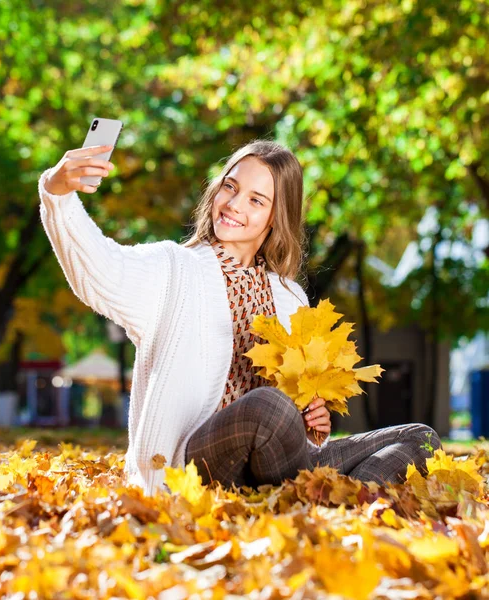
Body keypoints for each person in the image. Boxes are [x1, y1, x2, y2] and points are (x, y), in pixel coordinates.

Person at [38, 139, 442, 496]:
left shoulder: (290, 297)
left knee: (420, 439)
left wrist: (313, 420)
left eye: (255, 200)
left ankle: (344, 501)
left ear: (275, 216)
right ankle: (323, 497)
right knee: (267, 405)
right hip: (195, 468)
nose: (233, 204)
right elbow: (100, 271)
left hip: (273, 464)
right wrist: (58, 194)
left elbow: (299, 416)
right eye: (230, 187)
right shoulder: (174, 269)